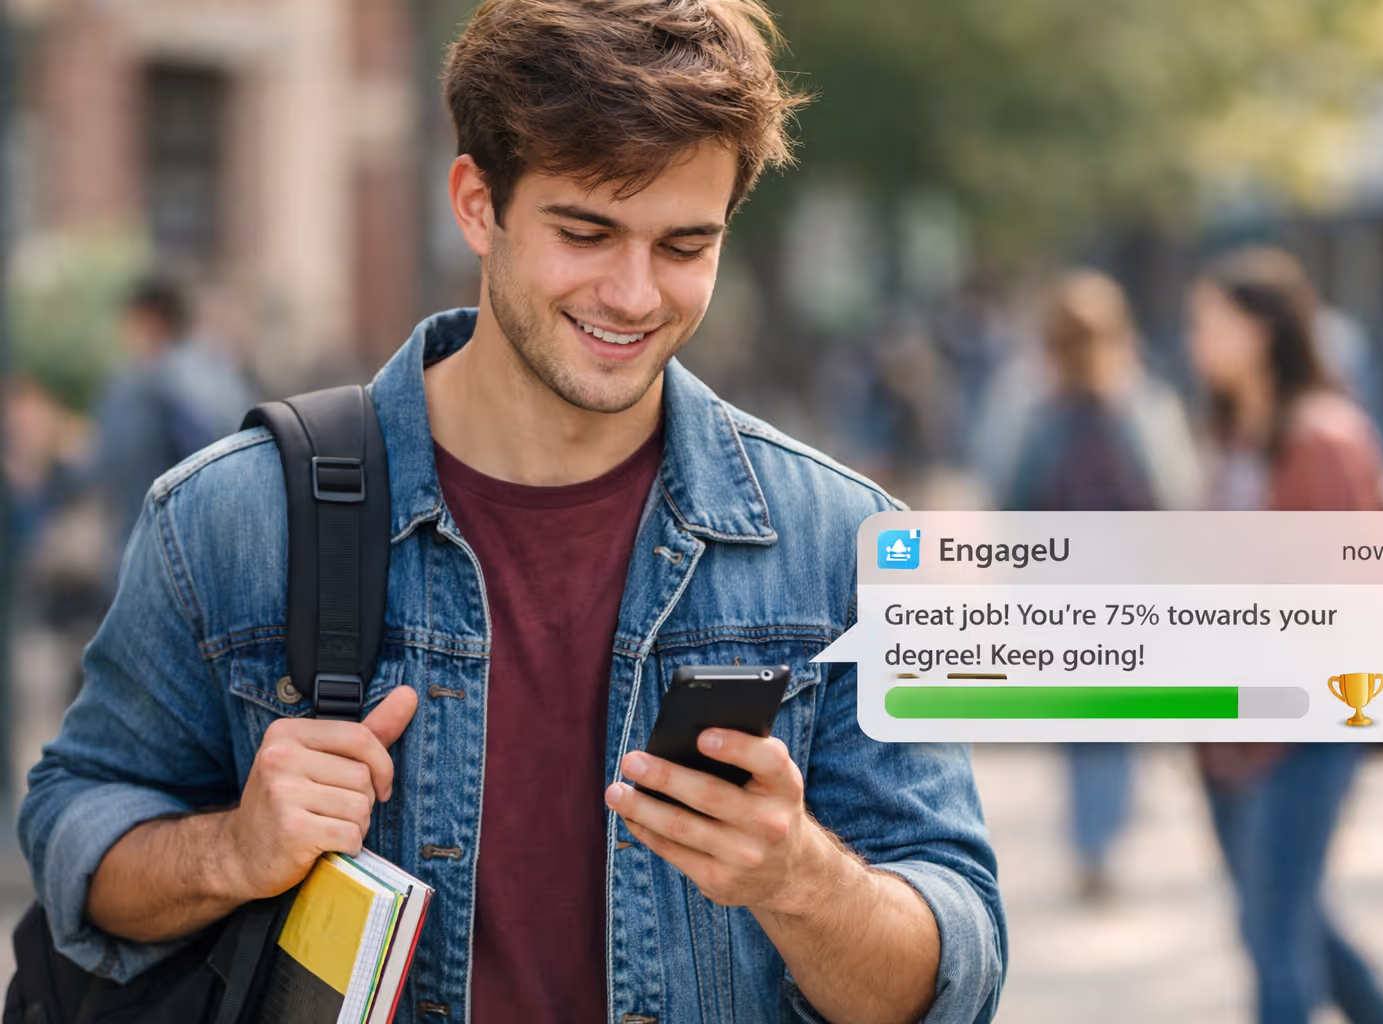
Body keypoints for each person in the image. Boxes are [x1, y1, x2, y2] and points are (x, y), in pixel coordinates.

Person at [18, 3, 1006, 1022]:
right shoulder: (229, 518)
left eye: (683, 245)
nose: (632, 294)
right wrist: (232, 849)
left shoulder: (845, 546)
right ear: (476, 202)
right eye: (586, 231)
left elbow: (957, 968)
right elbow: (76, 833)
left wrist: (800, 876)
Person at [1184, 247, 1383, 1024]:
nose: (1195, 340)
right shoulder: (1236, 437)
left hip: (1304, 728)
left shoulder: (1325, 438)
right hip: (1228, 727)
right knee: (1292, 924)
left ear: (1264, 328)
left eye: (1210, 321)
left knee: (1276, 938)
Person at [1003, 270, 1199, 903]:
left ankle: (1097, 836)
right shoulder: (1120, 406)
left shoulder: (1062, 409)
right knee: (1102, 721)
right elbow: (1173, 495)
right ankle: (1098, 836)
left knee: (1093, 722)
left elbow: (1012, 500)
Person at [83, 277, 255, 563]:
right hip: (212, 549)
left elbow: (111, 462)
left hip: (154, 547)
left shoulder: (140, 385)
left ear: (148, 320)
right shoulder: (224, 378)